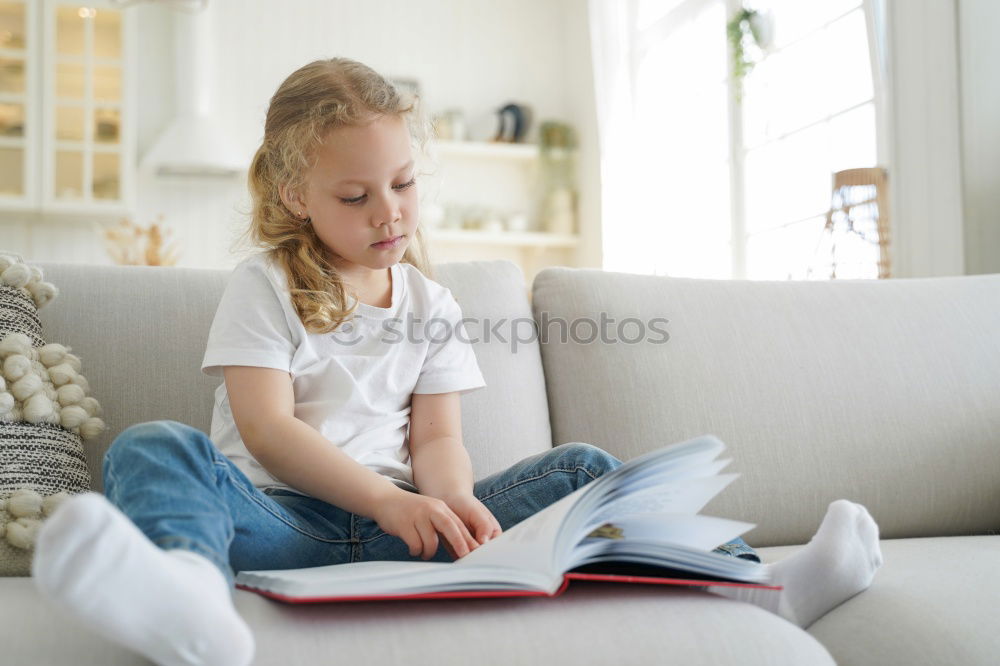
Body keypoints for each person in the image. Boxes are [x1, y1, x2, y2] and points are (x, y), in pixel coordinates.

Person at [30, 57, 883, 666]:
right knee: (152, 446)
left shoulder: (432, 302)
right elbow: (267, 428)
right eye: (356, 197)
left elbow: (437, 437)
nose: (389, 213)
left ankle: (759, 587)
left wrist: (453, 504)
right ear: (296, 196)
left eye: (403, 184)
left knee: (584, 469)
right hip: (281, 526)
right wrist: (381, 503)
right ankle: (192, 603)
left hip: (411, 527)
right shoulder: (265, 285)